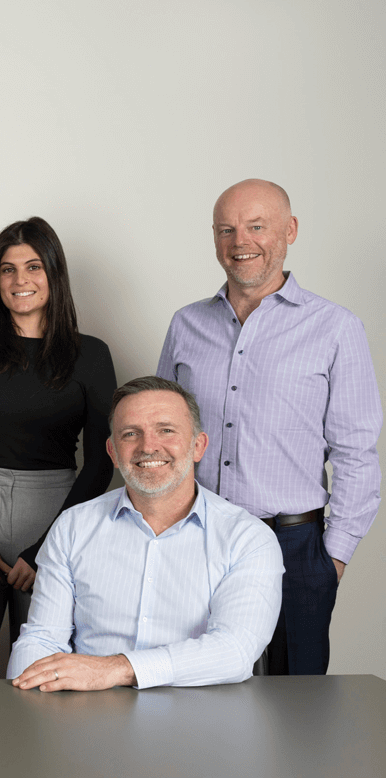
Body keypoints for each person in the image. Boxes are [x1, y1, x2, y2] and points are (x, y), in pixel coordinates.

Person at [157, 179, 381, 676]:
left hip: (295, 546)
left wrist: (333, 560)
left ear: (290, 231)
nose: (241, 242)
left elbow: (357, 454)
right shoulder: (185, 325)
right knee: (191, 688)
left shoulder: (336, 328)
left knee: (294, 705)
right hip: (197, 534)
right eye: (227, 230)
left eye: (257, 226)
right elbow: (161, 436)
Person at [7, 377, 284, 690]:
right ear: (112, 451)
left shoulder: (248, 538)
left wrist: (115, 669)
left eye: (166, 430)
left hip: (203, 721)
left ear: (198, 446)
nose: (148, 446)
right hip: (89, 719)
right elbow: (42, 638)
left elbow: (235, 650)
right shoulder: (72, 527)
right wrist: (28, 698)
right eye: (130, 434)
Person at [0, 217, 116, 677]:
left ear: (54, 274)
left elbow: (100, 462)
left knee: (42, 671)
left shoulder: (91, 355)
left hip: (55, 517)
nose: (20, 281)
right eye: (8, 269)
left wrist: (44, 550)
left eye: (33, 267)